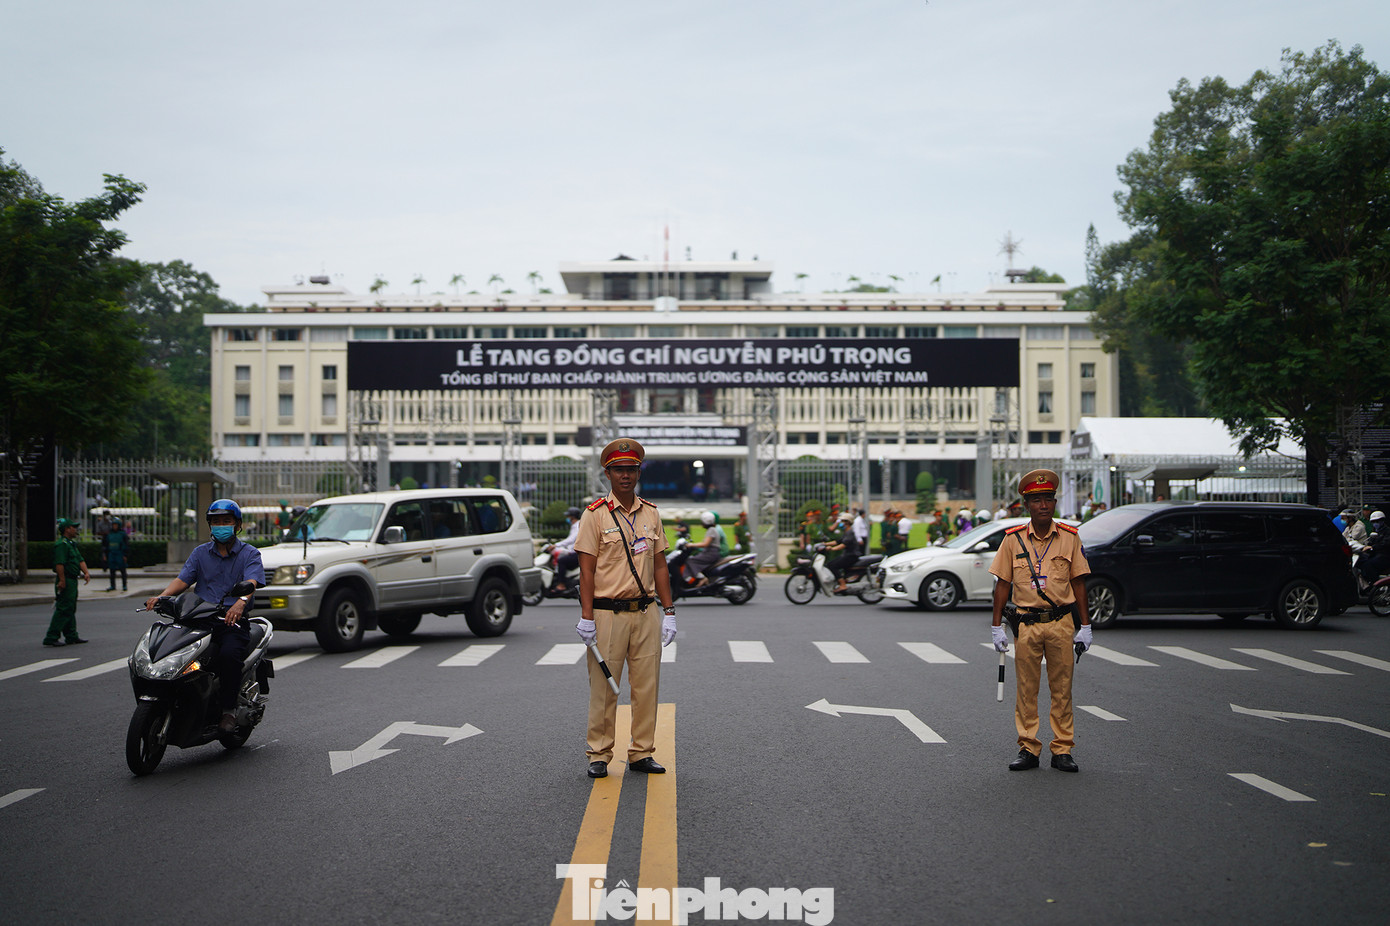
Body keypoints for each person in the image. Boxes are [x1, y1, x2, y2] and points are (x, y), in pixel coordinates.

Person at [574, 438, 676, 779]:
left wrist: (670, 611)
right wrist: (586, 617)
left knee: (647, 686)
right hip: (607, 614)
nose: (625, 476)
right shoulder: (594, 516)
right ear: (607, 473)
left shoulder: (651, 513)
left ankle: (641, 752)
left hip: (646, 612)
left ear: (638, 472)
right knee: (604, 687)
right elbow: (586, 571)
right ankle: (599, 754)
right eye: (619, 470)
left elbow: (660, 565)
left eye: (631, 469)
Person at [990, 469, 1092, 773]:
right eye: (1037, 500)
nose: (1043, 505)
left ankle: (1062, 749)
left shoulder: (1070, 539)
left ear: (1055, 502)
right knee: (1026, 689)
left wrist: (1085, 626)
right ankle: (1028, 747)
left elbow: (1079, 583)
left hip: (1061, 622)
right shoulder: (1012, 540)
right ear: (1027, 505)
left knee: (1062, 688)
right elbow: (1003, 585)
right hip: (1027, 623)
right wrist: (996, 626)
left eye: (1048, 499)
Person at [145, 499, 265, 734]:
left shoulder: (249, 553)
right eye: (216, 522)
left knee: (229, 656)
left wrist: (240, 603)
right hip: (199, 618)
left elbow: (251, 582)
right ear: (210, 525)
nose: (221, 526)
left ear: (237, 525)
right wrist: (161, 597)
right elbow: (183, 580)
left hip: (231, 621)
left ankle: (228, 710)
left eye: (226, 521)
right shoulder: (200, 553)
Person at [43, 518, 90, 646]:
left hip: (72, 580)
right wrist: (62, 580)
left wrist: (86, 572)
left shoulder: (70, 543)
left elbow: (80, 560)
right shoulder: (61, 544)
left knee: (70, 608)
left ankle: (71, 635)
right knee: (63, 608)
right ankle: (51, 636)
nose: (76, 529)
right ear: (67, 529)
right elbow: (59, 564)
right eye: (73, 527)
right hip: (66, 579)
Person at [684, 510, 728, 585]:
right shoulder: (712, 530)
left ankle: (702, 578)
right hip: (710, 552)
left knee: (690, 560)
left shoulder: (711, 530)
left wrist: (691, 545)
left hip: (711, 553)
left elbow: (705, 544)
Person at [825, 512, 861, 592]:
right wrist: (825, 544)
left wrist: (832, 549)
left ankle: (843, 585)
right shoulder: (846, 532)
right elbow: (838, 541)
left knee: (833, 566)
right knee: (830, 564)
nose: (840, 523)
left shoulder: (850, 533)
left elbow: (843, 545)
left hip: (851, 556)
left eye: (842, 521)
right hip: (847, 555)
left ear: (847, 522)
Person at [552, 506, 582, 590]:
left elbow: (571, 539)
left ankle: (561, 584)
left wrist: (556, 545)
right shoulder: (575, 526)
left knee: (562, 561)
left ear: (572, 516)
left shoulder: (577, 526)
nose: (567, 518)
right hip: (574, 552)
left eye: (568, 516)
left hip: (577, 554)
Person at [103, 516, 130, 591]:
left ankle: (124, 585)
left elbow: (126, 545)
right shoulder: (109, 534)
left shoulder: (122, 534)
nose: (114, 526)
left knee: (123, 570)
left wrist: (125, 555)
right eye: (113, 525)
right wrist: (105, 554)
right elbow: (105, 545)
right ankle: (112, 585)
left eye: (116, 525)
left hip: (120, 553)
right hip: (111, 553)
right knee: (112, 570)